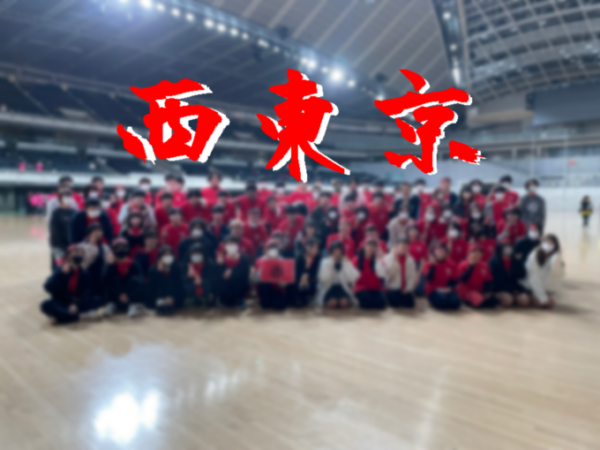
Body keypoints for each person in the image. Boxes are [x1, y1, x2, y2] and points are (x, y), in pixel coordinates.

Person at [40, 244, 104, 324]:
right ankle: (75, 316)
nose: (79, 255)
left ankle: (60, 316)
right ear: (68, 256)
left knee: (97, 300)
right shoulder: (59, 269)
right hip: (62, 302)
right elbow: (48, 287)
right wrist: (60, 274)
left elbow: (85, 293)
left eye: (81, 253)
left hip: (76, 303)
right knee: (45, 305)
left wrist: (75, 305)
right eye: (76, 252)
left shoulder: (85, 274)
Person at [103, 238, 144, 317]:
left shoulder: (134, 263)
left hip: (130, 294)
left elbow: (140, 280)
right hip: (116, 295)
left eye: (123, 247)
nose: (121, 250)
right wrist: (110, 265)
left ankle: (132, 305)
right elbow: (105, 280)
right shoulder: (109, 264)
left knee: (135, 280)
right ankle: (112, 304)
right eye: (118, 248)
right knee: (113, 280)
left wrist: (128, 295)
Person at [522, 234, 564, 308]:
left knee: (550, 304)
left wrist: (558, 256)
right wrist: (542, 297)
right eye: (546, 242)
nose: (548, 245)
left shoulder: (552, 257)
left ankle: (536, 298)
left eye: (551, 243)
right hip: (530, 285)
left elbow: (557, 274)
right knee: (542, 303)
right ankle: (529, 297)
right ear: (542, 243)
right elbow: (534, 279)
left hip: (543, 286)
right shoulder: (534, 255)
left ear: (555, 246)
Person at [316, 241, 360, 309]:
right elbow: (323, 279)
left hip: (342, 287)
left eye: (338, 251)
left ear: (341, 252)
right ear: (331, 252)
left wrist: (346, 265)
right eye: (334, 251)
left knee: (344, 303)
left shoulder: (345, 261)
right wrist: (331, 263)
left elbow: (352, 278)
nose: (336, 253)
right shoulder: (325, 262)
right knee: (333, 303)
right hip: (329, 287)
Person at [253, 241, 294, 310]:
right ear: (266, 250)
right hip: (265, 289)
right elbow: (254, 280)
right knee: (265, 305)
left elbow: (285, 284)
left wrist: (281, 281)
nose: (273, 251)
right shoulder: (259, 261)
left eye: (275, 248)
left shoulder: (282, 261)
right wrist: (262, 269)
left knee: (280, 305)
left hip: (278, 288)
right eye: (270, 249)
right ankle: (265, 301)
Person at [488, 241, 531, 307]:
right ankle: (496, 297)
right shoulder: (493, 261)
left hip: (514, 287)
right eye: (506, 247)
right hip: (499, 288)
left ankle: (514, 299)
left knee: (525, 301)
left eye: (510, 247)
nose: (508, 249)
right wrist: (510, 289)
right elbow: (495, 279)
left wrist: (519, 264)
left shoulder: (516, 260)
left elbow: (522, 274)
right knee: (507, 301)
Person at [214, 237, 251, 308]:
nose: (231, 246)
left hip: (239, 285)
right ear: (225, 247)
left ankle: (239, 298)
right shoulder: (221, 258)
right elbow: (218, 276)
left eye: (233, 244)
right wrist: (220, 266)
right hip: (226, 286)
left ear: (237, 245)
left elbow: (245, 273)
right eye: (228, 244)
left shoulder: (244, 258)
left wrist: (232, 271)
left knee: (239, 278)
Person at [147, 246, 184, 315]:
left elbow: (179, 285)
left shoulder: (177, 268)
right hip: (157, 298)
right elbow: (151, 287)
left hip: (173, 297)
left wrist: (173, 297)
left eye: (169, 254)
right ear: (160, 256)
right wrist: (159, 272)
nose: (167, 256)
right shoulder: (153, 269)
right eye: (165, 255)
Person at [423, 243, 460, 311]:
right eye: (438, 250)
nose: (440, 252)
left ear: (445, 252)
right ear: (434, 252)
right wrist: (433, 265)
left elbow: (454, 280)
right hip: (433, 290)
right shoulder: (428, 263)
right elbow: (429, 279)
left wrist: (449, 288)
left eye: (442, 250)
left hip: (447, 289)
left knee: (456, 304)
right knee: (442, 303)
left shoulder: (452, 264)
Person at [383, 238, 418, 308]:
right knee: (395, 304)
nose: (404, 248)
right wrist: (394, 260)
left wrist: (408, 288)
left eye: (406, 246)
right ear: (396, 246)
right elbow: (389, 275)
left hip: (405, 288)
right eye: (401, 246)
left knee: (410, 304)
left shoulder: (410, 259)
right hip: (392, 287)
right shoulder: (387, 258)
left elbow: (412, 276)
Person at [80, 223, 112, 296]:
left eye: (100, 230)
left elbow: (108, 264)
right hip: (86, 276)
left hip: (100, 277)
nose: (98, 233)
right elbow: (82, 266)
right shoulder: (81, 247)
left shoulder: (105, 247)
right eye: (95, 230)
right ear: (89, 233)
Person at [352, 239, 386, 309]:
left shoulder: (377, 260)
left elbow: (382, 274)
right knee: (367, 303)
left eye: (374, 246)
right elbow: (352, 276)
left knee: (381, 304)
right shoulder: (356, 259)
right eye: (369, 245)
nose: (371, 247)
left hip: (376, 288)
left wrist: (380, 259)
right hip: (361, 288)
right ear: (364, 246)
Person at [49, 189, 76, 266]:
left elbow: (76, 230)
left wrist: (72, 245)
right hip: (58, 246)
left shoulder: (74, 212)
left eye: (69, 197)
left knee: (72, 267)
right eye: (65, 197)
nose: (67, 199)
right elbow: (54, 231)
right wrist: (64, 246)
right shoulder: (56, 213)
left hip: (72, 246)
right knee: (61, 268)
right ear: (60, 200)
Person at [183, 242, 215, 307]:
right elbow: (180, 281)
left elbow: (213, 280)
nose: (196, 255)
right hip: (190, 294)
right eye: (194, 253)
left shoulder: (210, 264)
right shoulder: (185, 264)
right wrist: (188, 277)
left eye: (198, 253)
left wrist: (202, 281)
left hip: (206, 294)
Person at [294, 237, 321, 307]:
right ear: (306, 247)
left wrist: (308, 277)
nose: (315, 249)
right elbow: (296, 274)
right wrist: (306, 268)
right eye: (312, 247)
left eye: (316, 247)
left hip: (311, 282)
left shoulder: (318, 258)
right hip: (299, 283)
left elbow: (316, 273)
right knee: (298, 304)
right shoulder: (300, 257)